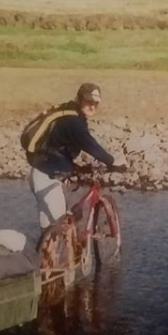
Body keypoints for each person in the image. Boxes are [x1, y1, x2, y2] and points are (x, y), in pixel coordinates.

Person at [28, 83, 126, 231]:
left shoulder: (69, 112)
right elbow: (89, 144)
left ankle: (52, 251)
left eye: (95, 103)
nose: (92, 106)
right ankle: (53, 252)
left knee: (51, 230)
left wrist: (74, 167)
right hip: (46, 176)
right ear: (79, 99)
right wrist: (112, 161)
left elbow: (59, 144)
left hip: (44, 169)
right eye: (88, 101)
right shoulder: (74, 121)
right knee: (57, 229)